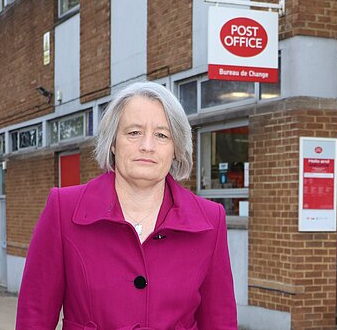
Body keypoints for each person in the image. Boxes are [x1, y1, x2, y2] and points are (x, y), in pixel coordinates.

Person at [16, 82, 237, 330]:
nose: (147, 146)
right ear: (112, 143)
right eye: (134, 132)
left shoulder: (210, 220)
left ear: (176, 149)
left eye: (162, 135)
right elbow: (34, 316)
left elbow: (220, 321)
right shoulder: (63, 210)